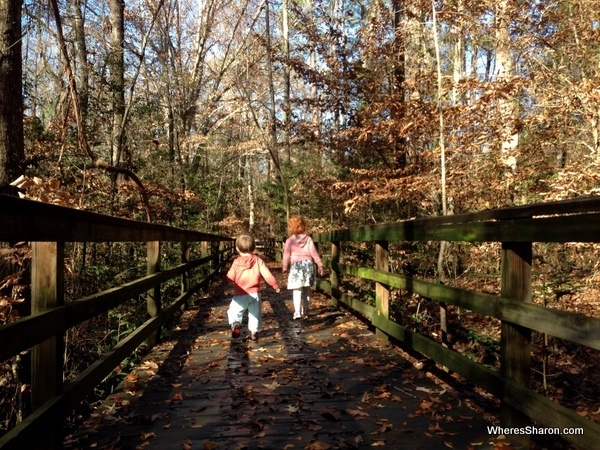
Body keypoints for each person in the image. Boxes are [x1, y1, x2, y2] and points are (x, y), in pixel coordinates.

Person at [226, 234, 280, 341]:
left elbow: (230, 278)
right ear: (254, 247)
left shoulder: (236, 262)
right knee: (255, 313)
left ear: (237, 249)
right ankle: (254, 332)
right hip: (255, 294)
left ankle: (235, 323)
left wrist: (229, 278)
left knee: (233, 311)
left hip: (240, 294)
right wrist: (275, 285)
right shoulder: (258, 260)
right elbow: (267, 275)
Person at [282, 215, 324, 320]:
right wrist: (320, 264)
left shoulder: (289, 240)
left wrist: (284, 267)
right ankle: (305, 309)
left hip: (297, 266)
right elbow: (314, 253)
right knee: (306, 289)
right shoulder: (308, 239)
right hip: (308, 265)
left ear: (291, 227)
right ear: (303, 226)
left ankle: (297, 312)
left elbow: (286, 255)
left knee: (297, 290)